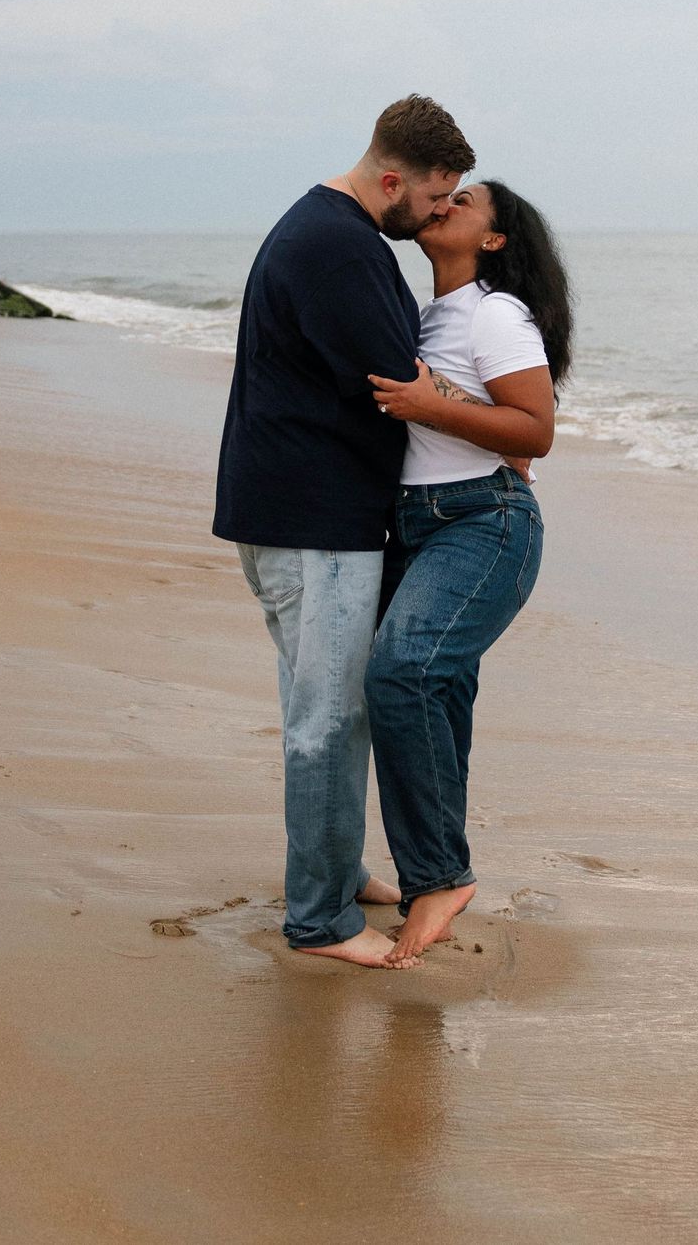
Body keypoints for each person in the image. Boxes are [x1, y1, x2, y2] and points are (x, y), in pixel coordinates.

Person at [212, 94, 477, 968]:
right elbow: (403, 376)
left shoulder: (326, 230)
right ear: (393, 178)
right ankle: (319, 918)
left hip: (299, 510)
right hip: (314, 519)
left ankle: (337, 869)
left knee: (331, 706)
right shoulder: (339, 244)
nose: (441, 215)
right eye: (437, 199)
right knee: (326, 717)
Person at [364, 180, 573, 964]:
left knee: (403, 674)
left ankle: (440, 876)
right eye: (442, 193)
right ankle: (430, 880)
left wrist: (428, 403)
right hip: (415, 526)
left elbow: (535, 429)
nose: (445, 202)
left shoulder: (497, 312)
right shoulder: (427, 313)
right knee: (436, 694)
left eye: (467, 200)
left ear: (494, 240)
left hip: (484, 522)